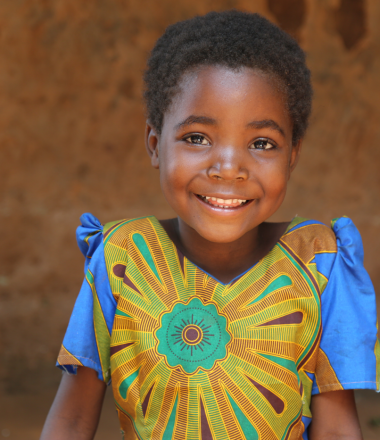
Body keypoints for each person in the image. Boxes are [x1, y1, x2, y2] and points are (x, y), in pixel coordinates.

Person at [41, 10, 379, 440]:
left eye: (261, 143)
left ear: (292, 156)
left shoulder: (319, 264)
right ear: (154, 144)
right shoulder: (122, 257)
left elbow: (335, 429)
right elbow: (71, 420)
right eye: (197, 138)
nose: (228, 168)